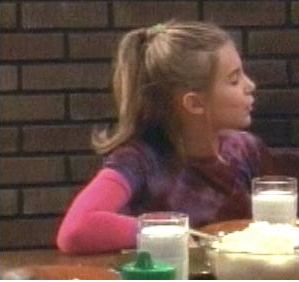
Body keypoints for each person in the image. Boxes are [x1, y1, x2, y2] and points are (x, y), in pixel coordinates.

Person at [57, 21, 273, 254]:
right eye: (234, 80)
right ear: (194, 103)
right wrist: (171, 232)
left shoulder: (246, 148)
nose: (250, 85)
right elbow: (75, 230)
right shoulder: (140, 159)